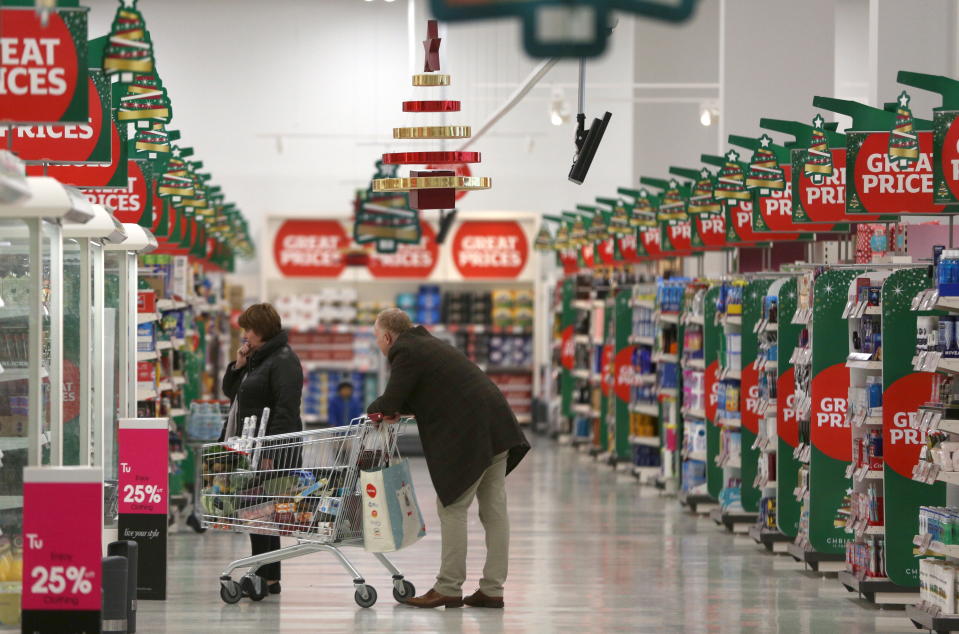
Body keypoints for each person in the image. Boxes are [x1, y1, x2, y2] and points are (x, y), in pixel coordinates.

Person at [367, 308, 530, 609]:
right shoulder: (429, 344)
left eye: (377, 337)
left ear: (388, 336)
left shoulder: (405, 351)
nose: (378, 344)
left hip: (473, 433)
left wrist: (376, 410)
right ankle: (492, 589)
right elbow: (429, 393)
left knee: (452, 506)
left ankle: (448, 587)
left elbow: (390, 399)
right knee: (494, 510)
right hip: (498, 424)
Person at [221, 303, 303, 596]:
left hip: (270, 450)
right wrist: (238, 366)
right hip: (251, 447)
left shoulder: (284, 360)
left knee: (261, 514)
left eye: (247, 330)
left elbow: (287, 410)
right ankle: (269, 578)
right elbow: (232, 393)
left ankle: (264, 575)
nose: (244, 335)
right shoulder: (258, 358)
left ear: (261, 331)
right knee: (259, 513)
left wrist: (271, 450)